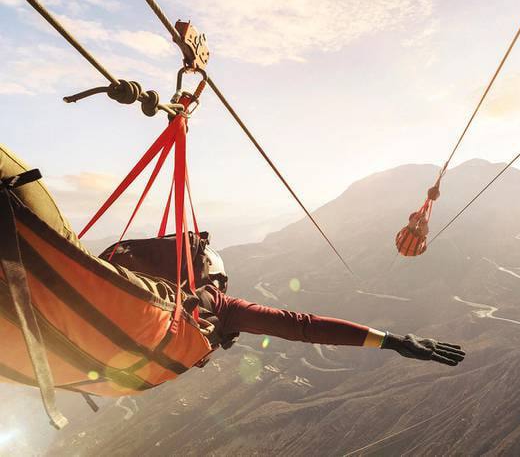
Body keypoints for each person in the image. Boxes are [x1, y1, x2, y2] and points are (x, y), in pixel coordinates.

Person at [0, 145, 466, 368]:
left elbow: (300, 323)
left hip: (69, 295)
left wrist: (391, 340)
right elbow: (300, 325)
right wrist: (391, 340)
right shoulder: (218, 311)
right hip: (76, 316)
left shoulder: (135, 278)